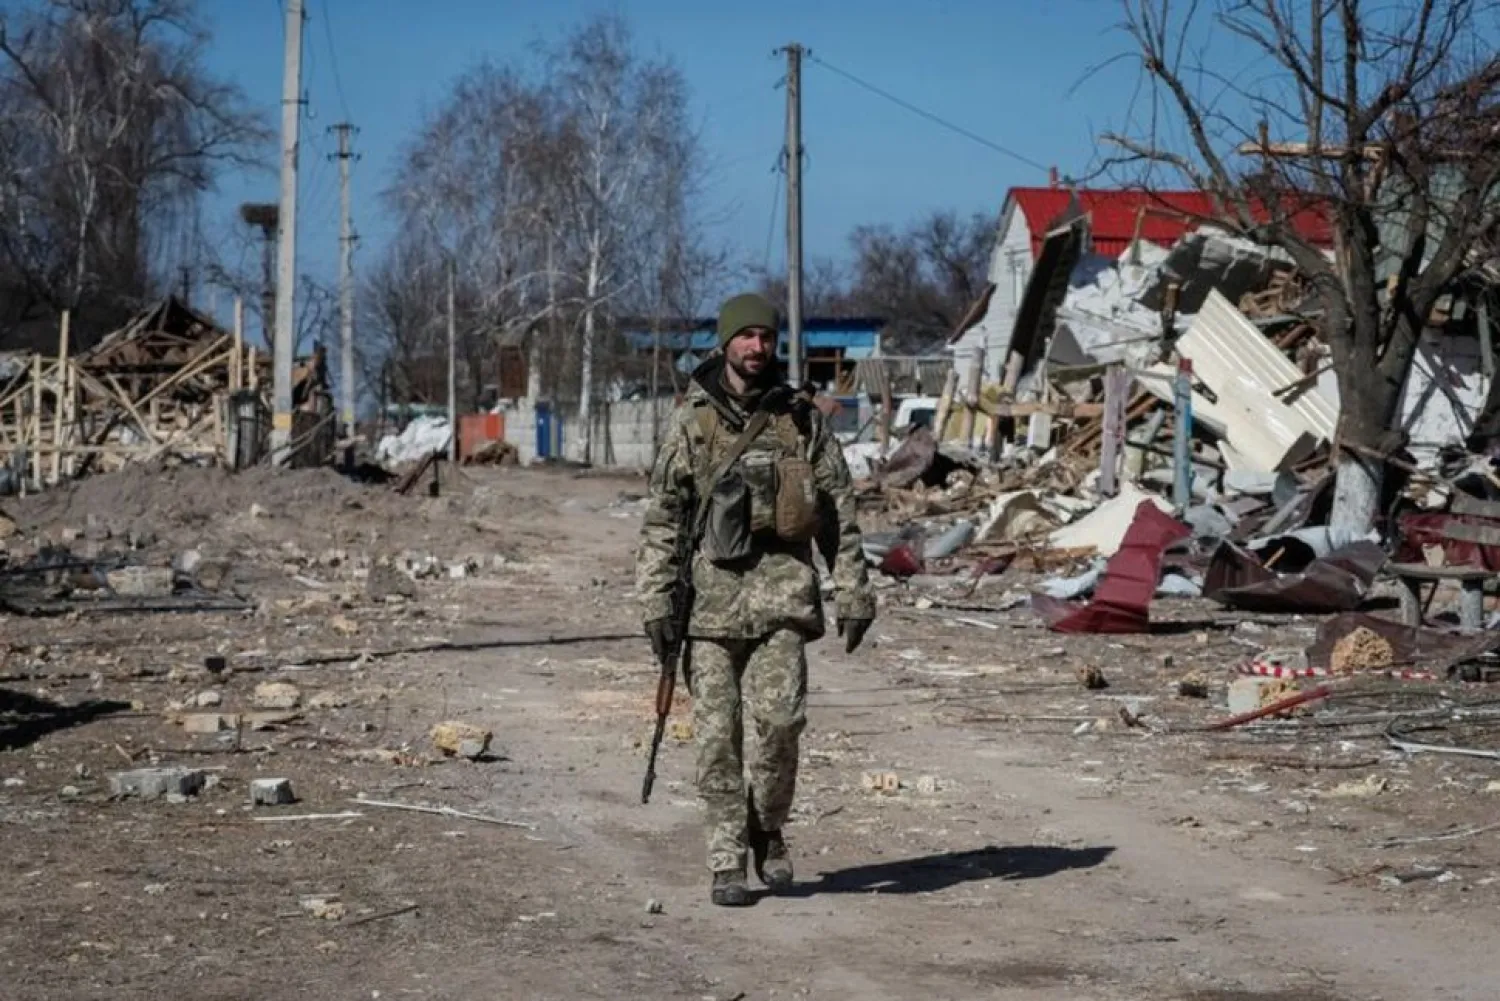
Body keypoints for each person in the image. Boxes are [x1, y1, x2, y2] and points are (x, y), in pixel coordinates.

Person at [635, 292, 876, 907]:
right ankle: (726, 859)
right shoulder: (692, 420)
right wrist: (656, 602)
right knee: (718, 738)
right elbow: (663, 515)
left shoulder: (801, 419)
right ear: (725, 342)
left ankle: (765, 827)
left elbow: (838, 510)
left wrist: (853, 591)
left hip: (783, 601)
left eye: (765, 337)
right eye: (745, 336)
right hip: (711, 606)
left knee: (780, 727)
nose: (756, 347)